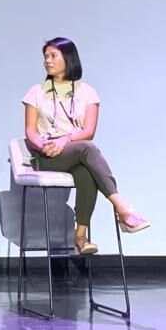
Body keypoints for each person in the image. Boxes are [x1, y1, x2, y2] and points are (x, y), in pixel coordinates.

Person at [22, 37, 150, 255]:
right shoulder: (36, 91)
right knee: (87, 148)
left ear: (68, 58)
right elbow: (30, 131)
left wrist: (64, 140)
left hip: (73, 150)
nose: (47, 61)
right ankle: (122, 207)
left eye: (53, 56)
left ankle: (80, 237)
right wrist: (44, 145)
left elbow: (89, 131)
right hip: (47, 155)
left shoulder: (87, 92)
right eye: (45, 57)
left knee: (86, 175)